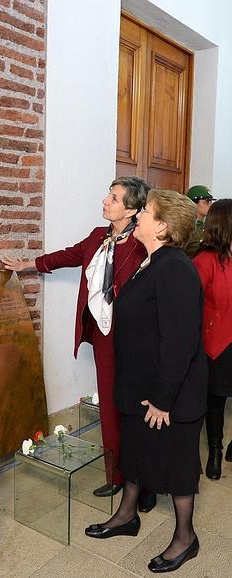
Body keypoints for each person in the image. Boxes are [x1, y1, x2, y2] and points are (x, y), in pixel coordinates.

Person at [2, 176, 156, 509]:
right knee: (112, 410)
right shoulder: (99, 236)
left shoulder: (143, 245)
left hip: (135, 340)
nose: (105, 201)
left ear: (131, 209)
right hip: (105, 336)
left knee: (137, 410)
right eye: (108, 195)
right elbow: (70, 255)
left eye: (113, 198)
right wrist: (29, 264)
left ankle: (146, 482)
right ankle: (116, 477)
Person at [85, 189, 207, 574]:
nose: (139, 215)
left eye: (147, 211)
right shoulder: (152, 261)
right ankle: (127, 516)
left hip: (168, 394)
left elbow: (180, 342)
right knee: (135, 452)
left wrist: (162, 399)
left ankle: (186, 538)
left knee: (179, 466)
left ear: (164, 226)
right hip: (140, 385)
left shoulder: (175, 268)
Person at [193, 199, 232, 480]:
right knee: (216, 399)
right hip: (217, 343)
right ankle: (215, 451)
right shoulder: (204, 261)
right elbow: (188, 306)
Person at [184, 185, 216, 257]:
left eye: (211, 201)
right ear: (193, 203)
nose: (210, 205)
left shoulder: (209, 226)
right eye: (207, 201)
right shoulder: (186, 227)